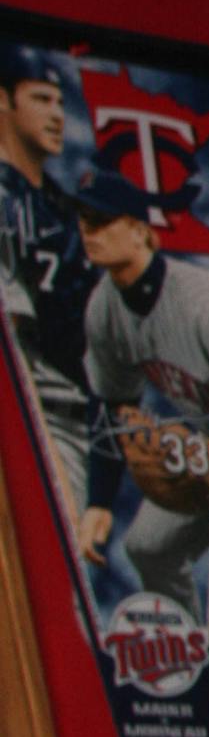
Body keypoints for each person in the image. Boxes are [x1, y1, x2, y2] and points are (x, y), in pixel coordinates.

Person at [69, 165, 209, 618]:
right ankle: (200, 646)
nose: (89, 231)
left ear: (139, 230)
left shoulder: (204, 305)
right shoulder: (104, 309)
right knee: (146, 547)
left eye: (101, 221)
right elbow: (112, 403)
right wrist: (98, 501)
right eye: (84, 221)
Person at [0, 40, 101, 533]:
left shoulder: (66, 208)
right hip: (34, 418)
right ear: (4, 100)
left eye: (60, 102)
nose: (57, 114)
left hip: (86, 413)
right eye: (41, 99)